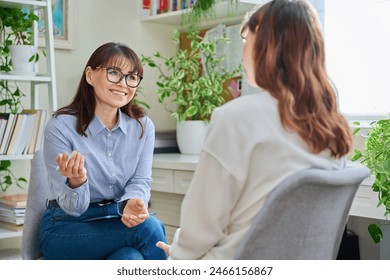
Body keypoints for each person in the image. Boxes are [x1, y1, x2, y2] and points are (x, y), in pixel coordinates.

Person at [156, 0, 353, 259]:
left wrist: (178, 257)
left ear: (265, 44)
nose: (242, 49)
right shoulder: (334, 127)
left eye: (246, 37)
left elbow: (200, 226)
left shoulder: (236, 117)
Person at [39, 42, 167, 260]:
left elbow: (141, 180)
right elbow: (72, 208)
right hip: (65, 227)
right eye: (114, 73)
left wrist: (133, 200)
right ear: (90, 75)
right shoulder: (60, 126)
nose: (123, 84)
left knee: (129, 259)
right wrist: (76, 183)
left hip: (115, 220)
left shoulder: (142, 127)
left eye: (132, 77)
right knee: (150, 229)